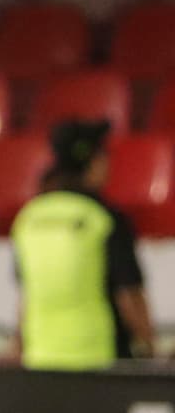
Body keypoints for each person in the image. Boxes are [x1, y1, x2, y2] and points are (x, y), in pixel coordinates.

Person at [10, 119, 158, 370]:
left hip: (42, 360)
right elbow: (128, 297)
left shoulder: (28, 218)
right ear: (94, 163)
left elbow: (26, 298)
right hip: (101, 361)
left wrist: (19, 351)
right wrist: (148, 348)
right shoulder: (103, 218)